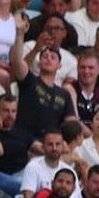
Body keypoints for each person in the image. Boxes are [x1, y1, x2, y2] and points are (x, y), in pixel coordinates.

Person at [10, 13, 76, 141]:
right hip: (25, 141)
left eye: (53, 57)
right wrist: (19, 34)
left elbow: (71, 124)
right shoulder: (29, 81)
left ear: (59, 65)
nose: (48, 59)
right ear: (39, 64)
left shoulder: (64, 94)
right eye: (45, 56)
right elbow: (17, 62)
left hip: (52, 145)